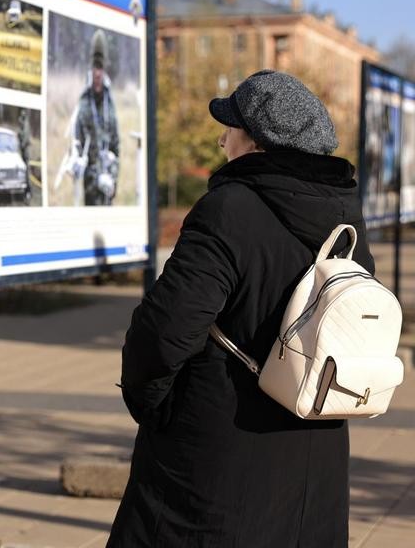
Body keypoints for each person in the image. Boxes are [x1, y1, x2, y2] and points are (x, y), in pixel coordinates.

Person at [108, 70, 373, 547]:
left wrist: (152, 404)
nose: (220, 140)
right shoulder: (347, 219)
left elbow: (164, 333)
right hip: (316, 447)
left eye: (229, 129)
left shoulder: (229, 209)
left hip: (217, 449)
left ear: (255, 142)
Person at [74, 28, 120, 205]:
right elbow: (76, 141)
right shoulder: (84, 102)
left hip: (107, 182)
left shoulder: (111, 103)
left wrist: (113, 181)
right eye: (95, 67)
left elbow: (116, 147)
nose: (97, 73)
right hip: (90, 185)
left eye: (100, 67)